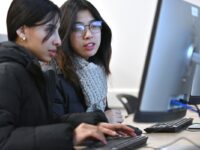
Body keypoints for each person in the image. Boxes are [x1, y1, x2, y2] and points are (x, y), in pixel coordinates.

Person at [0, 0, 136, 149]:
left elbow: (46, 124)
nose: (58, 41)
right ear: (22, 31)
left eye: (58, 31)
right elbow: (3, 141)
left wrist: (94, 126)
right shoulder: (7, 72)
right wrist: (71, 135)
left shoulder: (31, 71)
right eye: (49, 29)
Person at [54, 0, 123, 123]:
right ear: (64, 32)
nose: (88, 34)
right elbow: (55, 125)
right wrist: (102, 118)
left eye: (95, 25)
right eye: (78, 28)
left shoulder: (96, 71)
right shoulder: (54, 74)